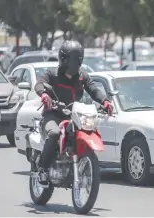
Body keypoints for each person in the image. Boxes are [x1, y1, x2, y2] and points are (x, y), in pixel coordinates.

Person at [34, 40, 114, 186]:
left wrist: (105, 101)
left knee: (88, 131)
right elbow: (39, 84)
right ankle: (43, 169)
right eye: (71, 59)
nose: (73, 63)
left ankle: (79, 162)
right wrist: (44, 95)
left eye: (77, 59)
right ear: (63, 58)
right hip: (53, 115)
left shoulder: (83, 76)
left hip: (75, 116)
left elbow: (94, 90)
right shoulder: (52, 74)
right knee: (54, 133)